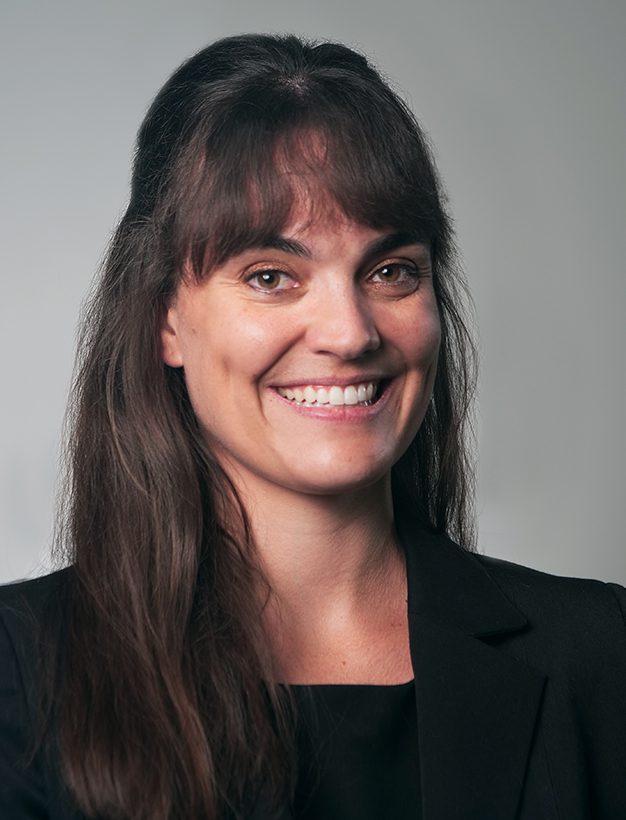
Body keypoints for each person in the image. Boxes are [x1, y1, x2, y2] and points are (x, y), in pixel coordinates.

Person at [1, 32, 625, 820]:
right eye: (272, 276)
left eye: (391, 271)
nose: (350, 330)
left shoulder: (600, 655)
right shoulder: (21, 673)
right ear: (164, 317)